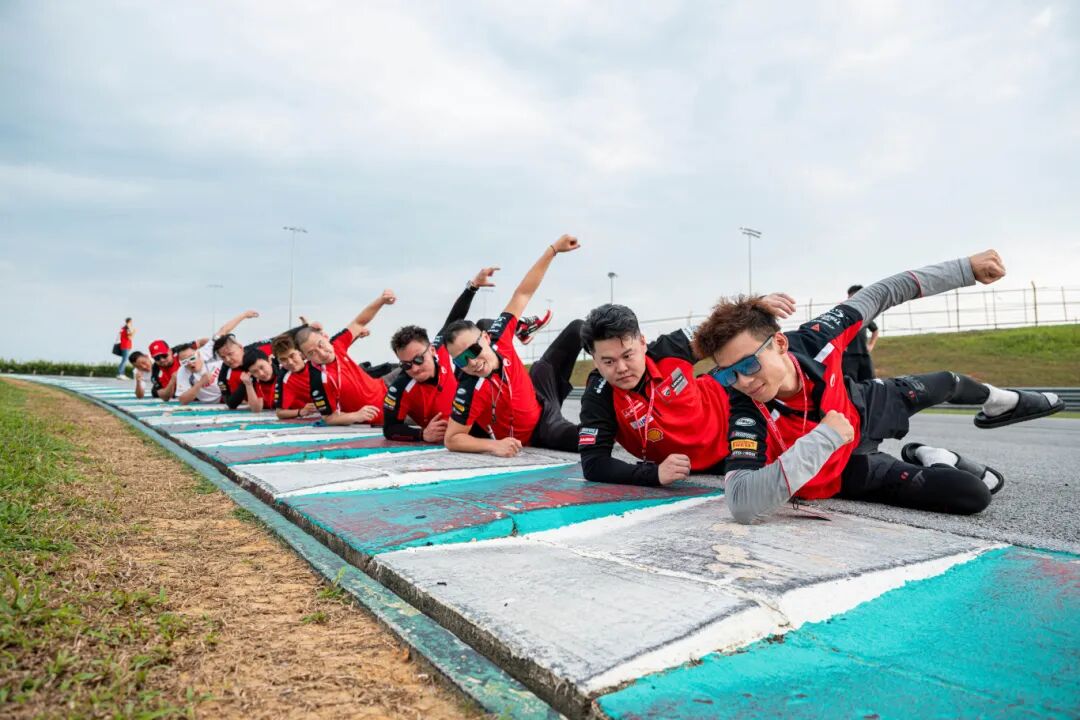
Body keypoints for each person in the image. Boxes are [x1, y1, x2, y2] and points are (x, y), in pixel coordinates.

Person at [692, 250, 1065, 523]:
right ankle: (930, 455)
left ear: (780, 344)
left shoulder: (817, 337)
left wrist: (964, 269)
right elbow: (741, 503)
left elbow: (883, 292)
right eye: (728, 374)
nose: (743, 381)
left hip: (861, 406)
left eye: (749, 364)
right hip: (846, 468)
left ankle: (1004, 402)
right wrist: (822, 439)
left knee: (944, 381)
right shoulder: (744, 406)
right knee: (976, 493)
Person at [577, 294, 796, 486]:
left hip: (739, 413)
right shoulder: (598, 394)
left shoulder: (670, 347)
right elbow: (594, 464)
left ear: (642, 342)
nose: (622, 368)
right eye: (608, 362)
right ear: (594, 360)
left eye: (628, 355)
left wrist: (753, 308)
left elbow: (722, 332)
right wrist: (653, 474)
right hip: (720, 463)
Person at [443, 235, 583, 457]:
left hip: (540, 391)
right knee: (590, 440)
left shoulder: (498, 336)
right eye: (461, 360)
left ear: (486, 339)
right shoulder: (469, 388)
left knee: (579, 328)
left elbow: (523, 292)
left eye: (474, 351)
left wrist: (553, 250)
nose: (472, 363)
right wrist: (493, 445)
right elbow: (452, 439)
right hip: (541, 429)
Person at [382, 266, 500, 443]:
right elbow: (389, 429)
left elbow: (454, 317)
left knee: (479, 330)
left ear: (431, 350)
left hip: (476, 412)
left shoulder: (441, 347)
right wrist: (421, 434)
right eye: (406, 365)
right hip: (457, 433)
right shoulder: (400, 388)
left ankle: (520, 327)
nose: (413, 368)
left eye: (418, 359)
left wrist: (473, 286)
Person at [295, 290, 397, 426]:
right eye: (312, 353)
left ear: (325, 337)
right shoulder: (319, 379)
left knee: (419, 362)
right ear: (306, 357)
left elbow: (359, 322)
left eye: (321, 345)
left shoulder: (336, 344)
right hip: (384, 411)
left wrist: (381, 300)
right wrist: (356, 415)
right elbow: (329, 418)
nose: (322, 353)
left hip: (383, 384)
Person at [211, 310, 273, 407]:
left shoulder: (260, 349)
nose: (227, 359)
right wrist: (247, 382)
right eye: (223, 357)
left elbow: (284, 339)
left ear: (240, 347)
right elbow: (230, 403)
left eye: (230, 354)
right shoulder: (225, 372)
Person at [271, 330, 319, 420]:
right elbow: (280, 413)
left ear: (300, 352)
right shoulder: (284, 378)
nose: (290, 362)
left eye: (292, 355)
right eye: (283, 359)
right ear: (278, 361)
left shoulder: (316, 361)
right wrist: (301, 412)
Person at [841, 284, 879, 382]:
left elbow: (875, 330)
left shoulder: (864, 313)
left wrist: (871, 345)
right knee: (850, 384)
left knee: (871, 382)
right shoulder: (842, 312)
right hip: (848, 356)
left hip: (864, 355)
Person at [170, 341, 224, 405]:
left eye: (192, 358)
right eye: (184, 362)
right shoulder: (183, 370)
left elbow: (222, 333)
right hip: (211, 403)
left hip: (228, 396)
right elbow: (182, 400)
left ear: (198, 354)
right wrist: (200, 383)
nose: (190, 363)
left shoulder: (209, 354)